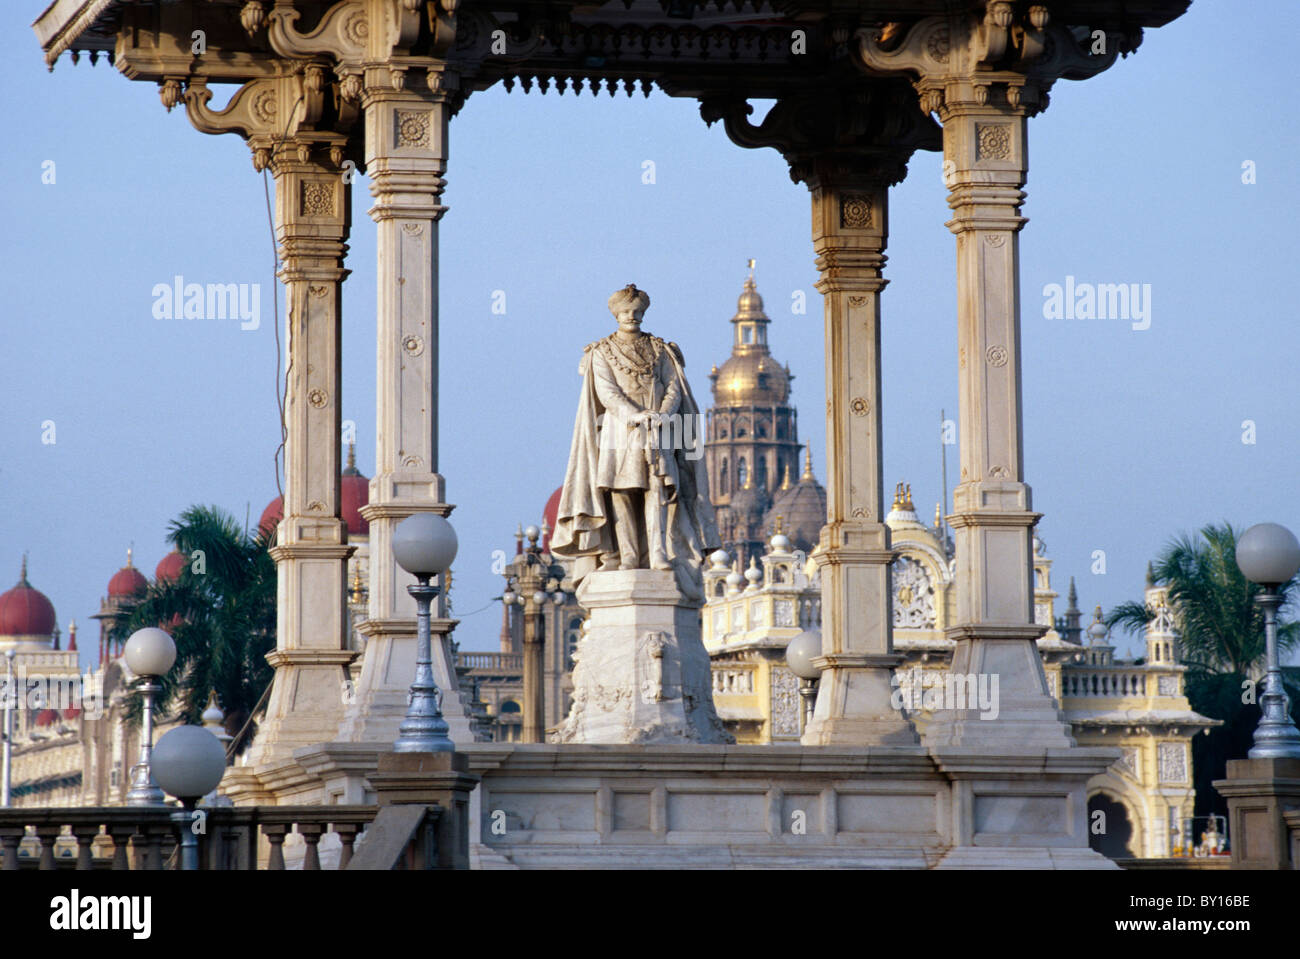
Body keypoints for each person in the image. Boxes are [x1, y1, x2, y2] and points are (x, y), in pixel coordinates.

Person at [550, 284, 719, 598]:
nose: (633, 317)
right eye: (627, 312)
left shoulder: (660, 349)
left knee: (660, 489)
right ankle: (628, 555)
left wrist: (663, 413)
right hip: (618, 431)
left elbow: (674, 387)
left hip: (658, 429)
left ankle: (658, 552)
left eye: (638, 311)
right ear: (616, 314)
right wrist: (635, 415)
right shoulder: (601, 351)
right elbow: (607, 393)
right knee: (622, 494)